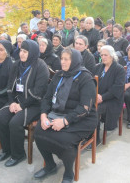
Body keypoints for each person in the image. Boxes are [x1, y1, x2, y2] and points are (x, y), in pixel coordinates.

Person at [33, 48, 97, 183]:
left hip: (82, 118)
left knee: (65, 140)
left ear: (75, 61)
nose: (62, 62)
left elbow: (85, 108)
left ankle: (68, 173)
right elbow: (47, 98)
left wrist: (65, 121)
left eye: (66, 59)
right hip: (58, 113)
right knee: (38, 130)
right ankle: (50, 165)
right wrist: (43, 115)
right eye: (61, 59)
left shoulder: (86, 78)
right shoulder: (59, 75)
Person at [0, 40, 49, 167]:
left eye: (25, 51)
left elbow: (38, 92)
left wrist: (22, 105)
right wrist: (12, 102)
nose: (22, 54)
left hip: (35, 104)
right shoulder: (17, 64)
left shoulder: (41, 66)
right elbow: (10, 86)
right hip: (18, 100)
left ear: (32, 53)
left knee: (15, 123)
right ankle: (7, 150)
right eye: (21, 51)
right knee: (0, 118)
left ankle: (18, 155)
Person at [94, 45, 125, 144]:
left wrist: (102, 97)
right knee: (85, 106)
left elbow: (117, 89)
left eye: (105, 55)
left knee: (95, 110)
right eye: (101, 55)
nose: (103, 57)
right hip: (97, 97)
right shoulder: (98, 67)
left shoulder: (119, 69)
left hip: (112, 100)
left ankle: (95, 138)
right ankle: (87, 133)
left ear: (112, 56)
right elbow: (92, 82)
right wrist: (95, 95)